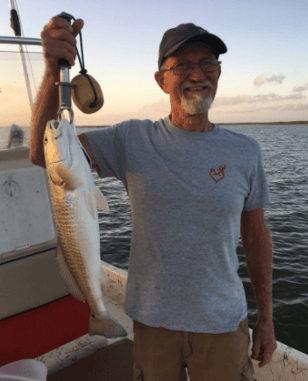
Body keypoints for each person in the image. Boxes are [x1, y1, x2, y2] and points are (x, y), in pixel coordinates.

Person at [30, 16, 277, 381]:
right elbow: (42, 153)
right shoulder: (131, 139)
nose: (197, 75)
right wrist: (53, 73)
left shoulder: (246, 152)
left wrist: (267, 319)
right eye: (182, 66)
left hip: (222, 322)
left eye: (207, 63)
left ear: (219, 73)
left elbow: (256, 238)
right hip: (152, 322)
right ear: (162, 80)